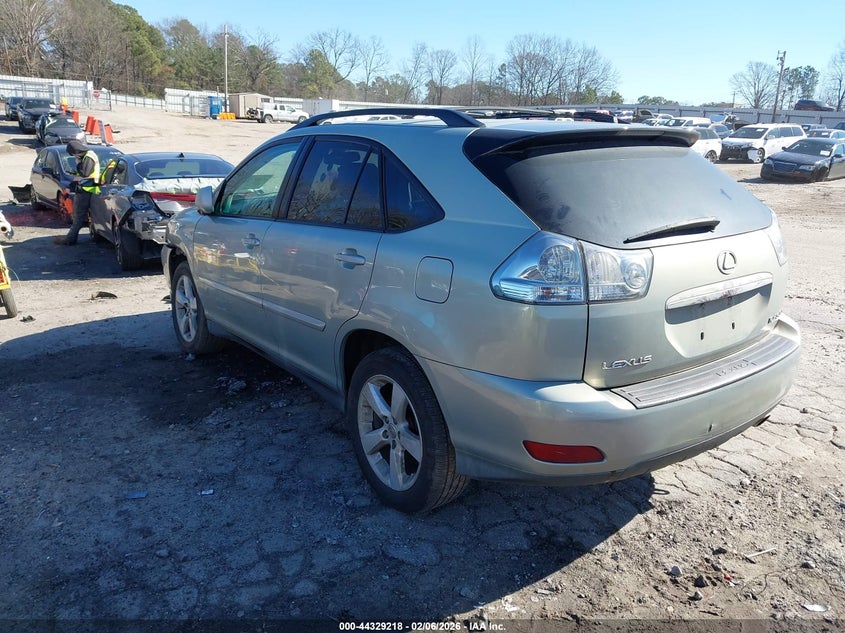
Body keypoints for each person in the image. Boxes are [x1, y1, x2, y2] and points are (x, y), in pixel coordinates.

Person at [54, 140, 100, 245]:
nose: (74, 156)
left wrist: (79, 163)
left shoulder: (88, 157)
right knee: (82, 216)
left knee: (78, 216)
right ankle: (72, 238)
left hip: (86, 190)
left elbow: (84, 173)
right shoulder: (88, 155)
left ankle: (70, 239)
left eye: (74, 154)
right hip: (87, 189)